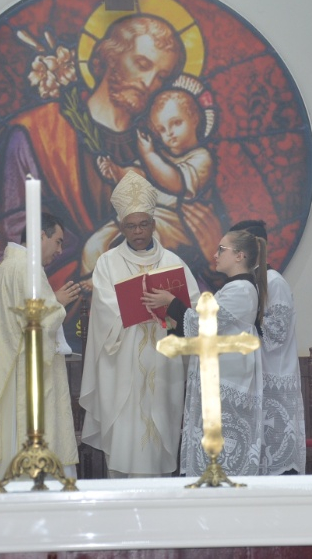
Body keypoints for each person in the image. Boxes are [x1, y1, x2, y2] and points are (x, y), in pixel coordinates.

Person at [0, 15, 185, 252]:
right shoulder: (39, 132)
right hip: (66, 280)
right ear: (111, 56)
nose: (149, 82)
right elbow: (15, 227)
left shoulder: (159, 143)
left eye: (161, 77)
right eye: (142, 64)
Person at [80, 172, 200, 477]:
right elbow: (105, 311)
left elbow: (194, 312)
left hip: (164, 365)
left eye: (143, 224)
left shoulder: (174, 263)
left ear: (153, 224)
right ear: (122, 227)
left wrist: (171, 306)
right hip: (122, 366)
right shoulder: (108, 263)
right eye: (131, 226)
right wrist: (136, 309)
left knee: (159, 437)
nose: (138, 232)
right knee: (126, 437)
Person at [144, 230, 267, 477]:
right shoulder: (232, 288)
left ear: (240, 256)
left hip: (228, 383)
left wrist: (172, 302)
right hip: (220, 377)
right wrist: (169, 314)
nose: (215, 254)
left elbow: (205, 324)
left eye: (222, 249)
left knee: (224, 451)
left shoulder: (241, 290)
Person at [0, 213, 81, 480]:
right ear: (41, 236)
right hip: (27, 378)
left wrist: (52, 303)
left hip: (16, 372)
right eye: (57, 241)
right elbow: (39, 325)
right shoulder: (26, 269)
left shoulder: (10, 265)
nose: (59, 250)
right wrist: (58, 305)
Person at [82, 74, 223, 277]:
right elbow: (140, 177)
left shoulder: (201, 158)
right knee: (96, 243)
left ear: (195, 118)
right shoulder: (160, 158)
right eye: (162, 130)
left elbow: (174, 182)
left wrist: (148, 154)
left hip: (176, 224)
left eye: (176, 123)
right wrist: (118, 171)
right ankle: (94, 284)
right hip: (147, 218)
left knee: (146, 245)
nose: (169, 134)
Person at [229, 220, 306, 475]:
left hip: (275, 382)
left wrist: (245, 321)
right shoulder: (246, 285)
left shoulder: (274, 283)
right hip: (254, 382)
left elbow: (276, 335)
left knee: (277, 465)